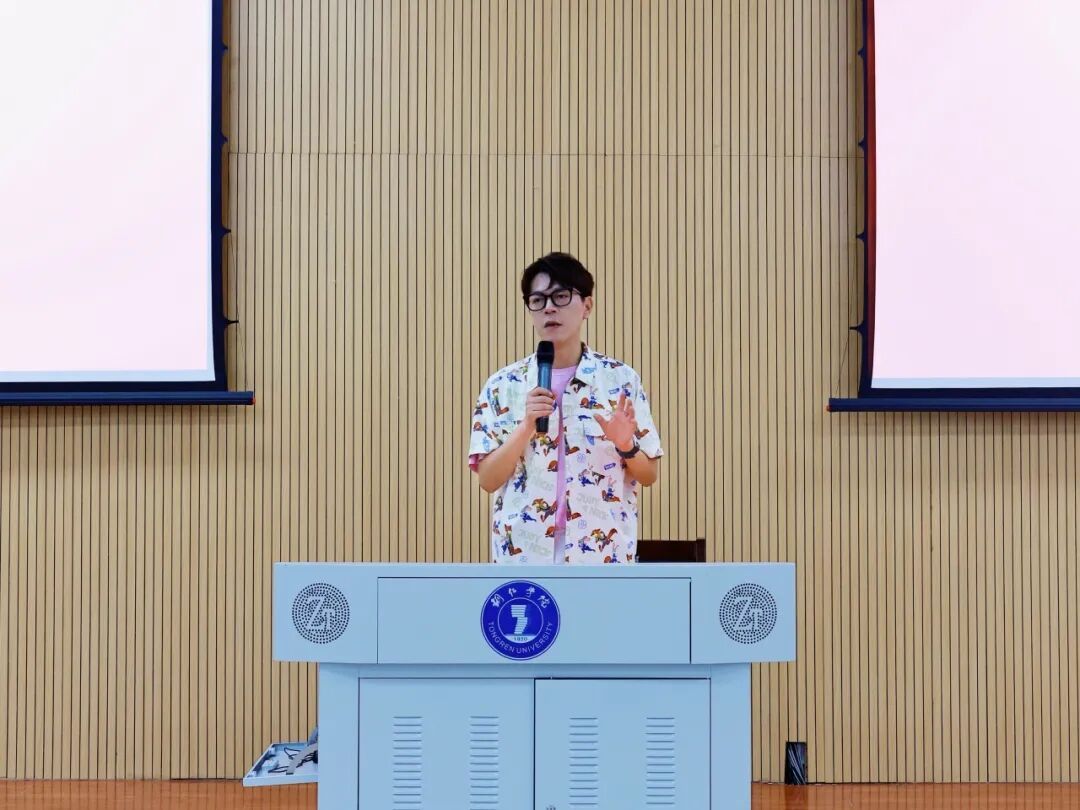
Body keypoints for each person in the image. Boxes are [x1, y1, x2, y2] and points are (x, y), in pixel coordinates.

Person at [469, 252, 663, 564]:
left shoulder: (619, 380)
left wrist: (626, 444)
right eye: (538, 300)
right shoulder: (503, 385)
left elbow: (649, 474)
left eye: (561, 296)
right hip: (524, 554)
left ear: (587, 305)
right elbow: (488, 480)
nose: (549, 307)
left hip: (600, 556)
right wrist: (526, 426)